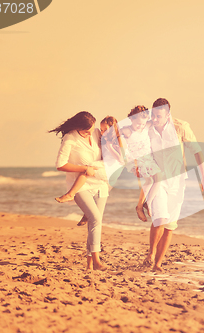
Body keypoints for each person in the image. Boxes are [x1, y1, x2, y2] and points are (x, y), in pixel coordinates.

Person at [143, 98, 204, 272]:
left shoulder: (181, 127)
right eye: (154, 115)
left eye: (159, 116)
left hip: (177, 181)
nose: (155, 118)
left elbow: (197, 151)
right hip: (157, 181)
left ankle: (158, 264)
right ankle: (151, 253)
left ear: (168, 114)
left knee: (170, 225)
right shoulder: (147, 128)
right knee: (160, 217)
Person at [49, 111, 109, 271]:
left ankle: (90, 263)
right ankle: (97, 261)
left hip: (100, 183)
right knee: (95, 217)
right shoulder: (70, 138)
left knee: (95, 222)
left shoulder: (96, 132)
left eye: (92, 130)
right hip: (79, 185)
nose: (90, 133)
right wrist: (84, 168)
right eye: (86, 131)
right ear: (77, 128)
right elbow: (60, 164)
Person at [55, 116, 121, 204]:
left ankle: (70, 194)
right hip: (101, 171)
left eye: (105, 130)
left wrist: (110, 147)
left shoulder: (114, 141)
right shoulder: (72, 137)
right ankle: (71, 193)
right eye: (101, 130)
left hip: (109, 168)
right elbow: (60, 165)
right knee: (86, 169)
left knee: (87, 169)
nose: (100, 132)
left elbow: (121, 158)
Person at [120, 105, 162, 222]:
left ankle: (146, 203)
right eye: (138, 123)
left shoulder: (146, 125)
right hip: (137, 160)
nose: (141, 126)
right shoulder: (127, 130)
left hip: (148, 158)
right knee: (149, 180)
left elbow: (157, 120)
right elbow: (114, 135)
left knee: (159, 178)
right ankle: (140, 206)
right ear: (132, 119)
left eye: (143, 124)